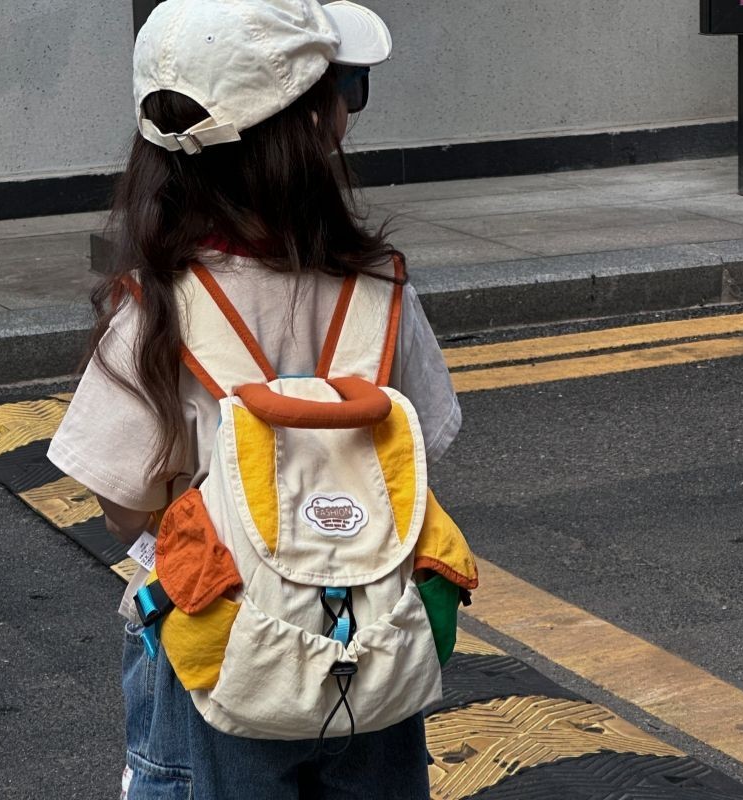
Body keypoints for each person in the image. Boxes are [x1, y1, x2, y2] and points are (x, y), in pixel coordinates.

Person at [48, 1, 463, 797]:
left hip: (214, 644)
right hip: (369, 638)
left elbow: (124, 508)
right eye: (348, 87)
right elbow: (422, 446)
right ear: (315, 127)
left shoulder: (156, 309)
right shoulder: (380, 292)